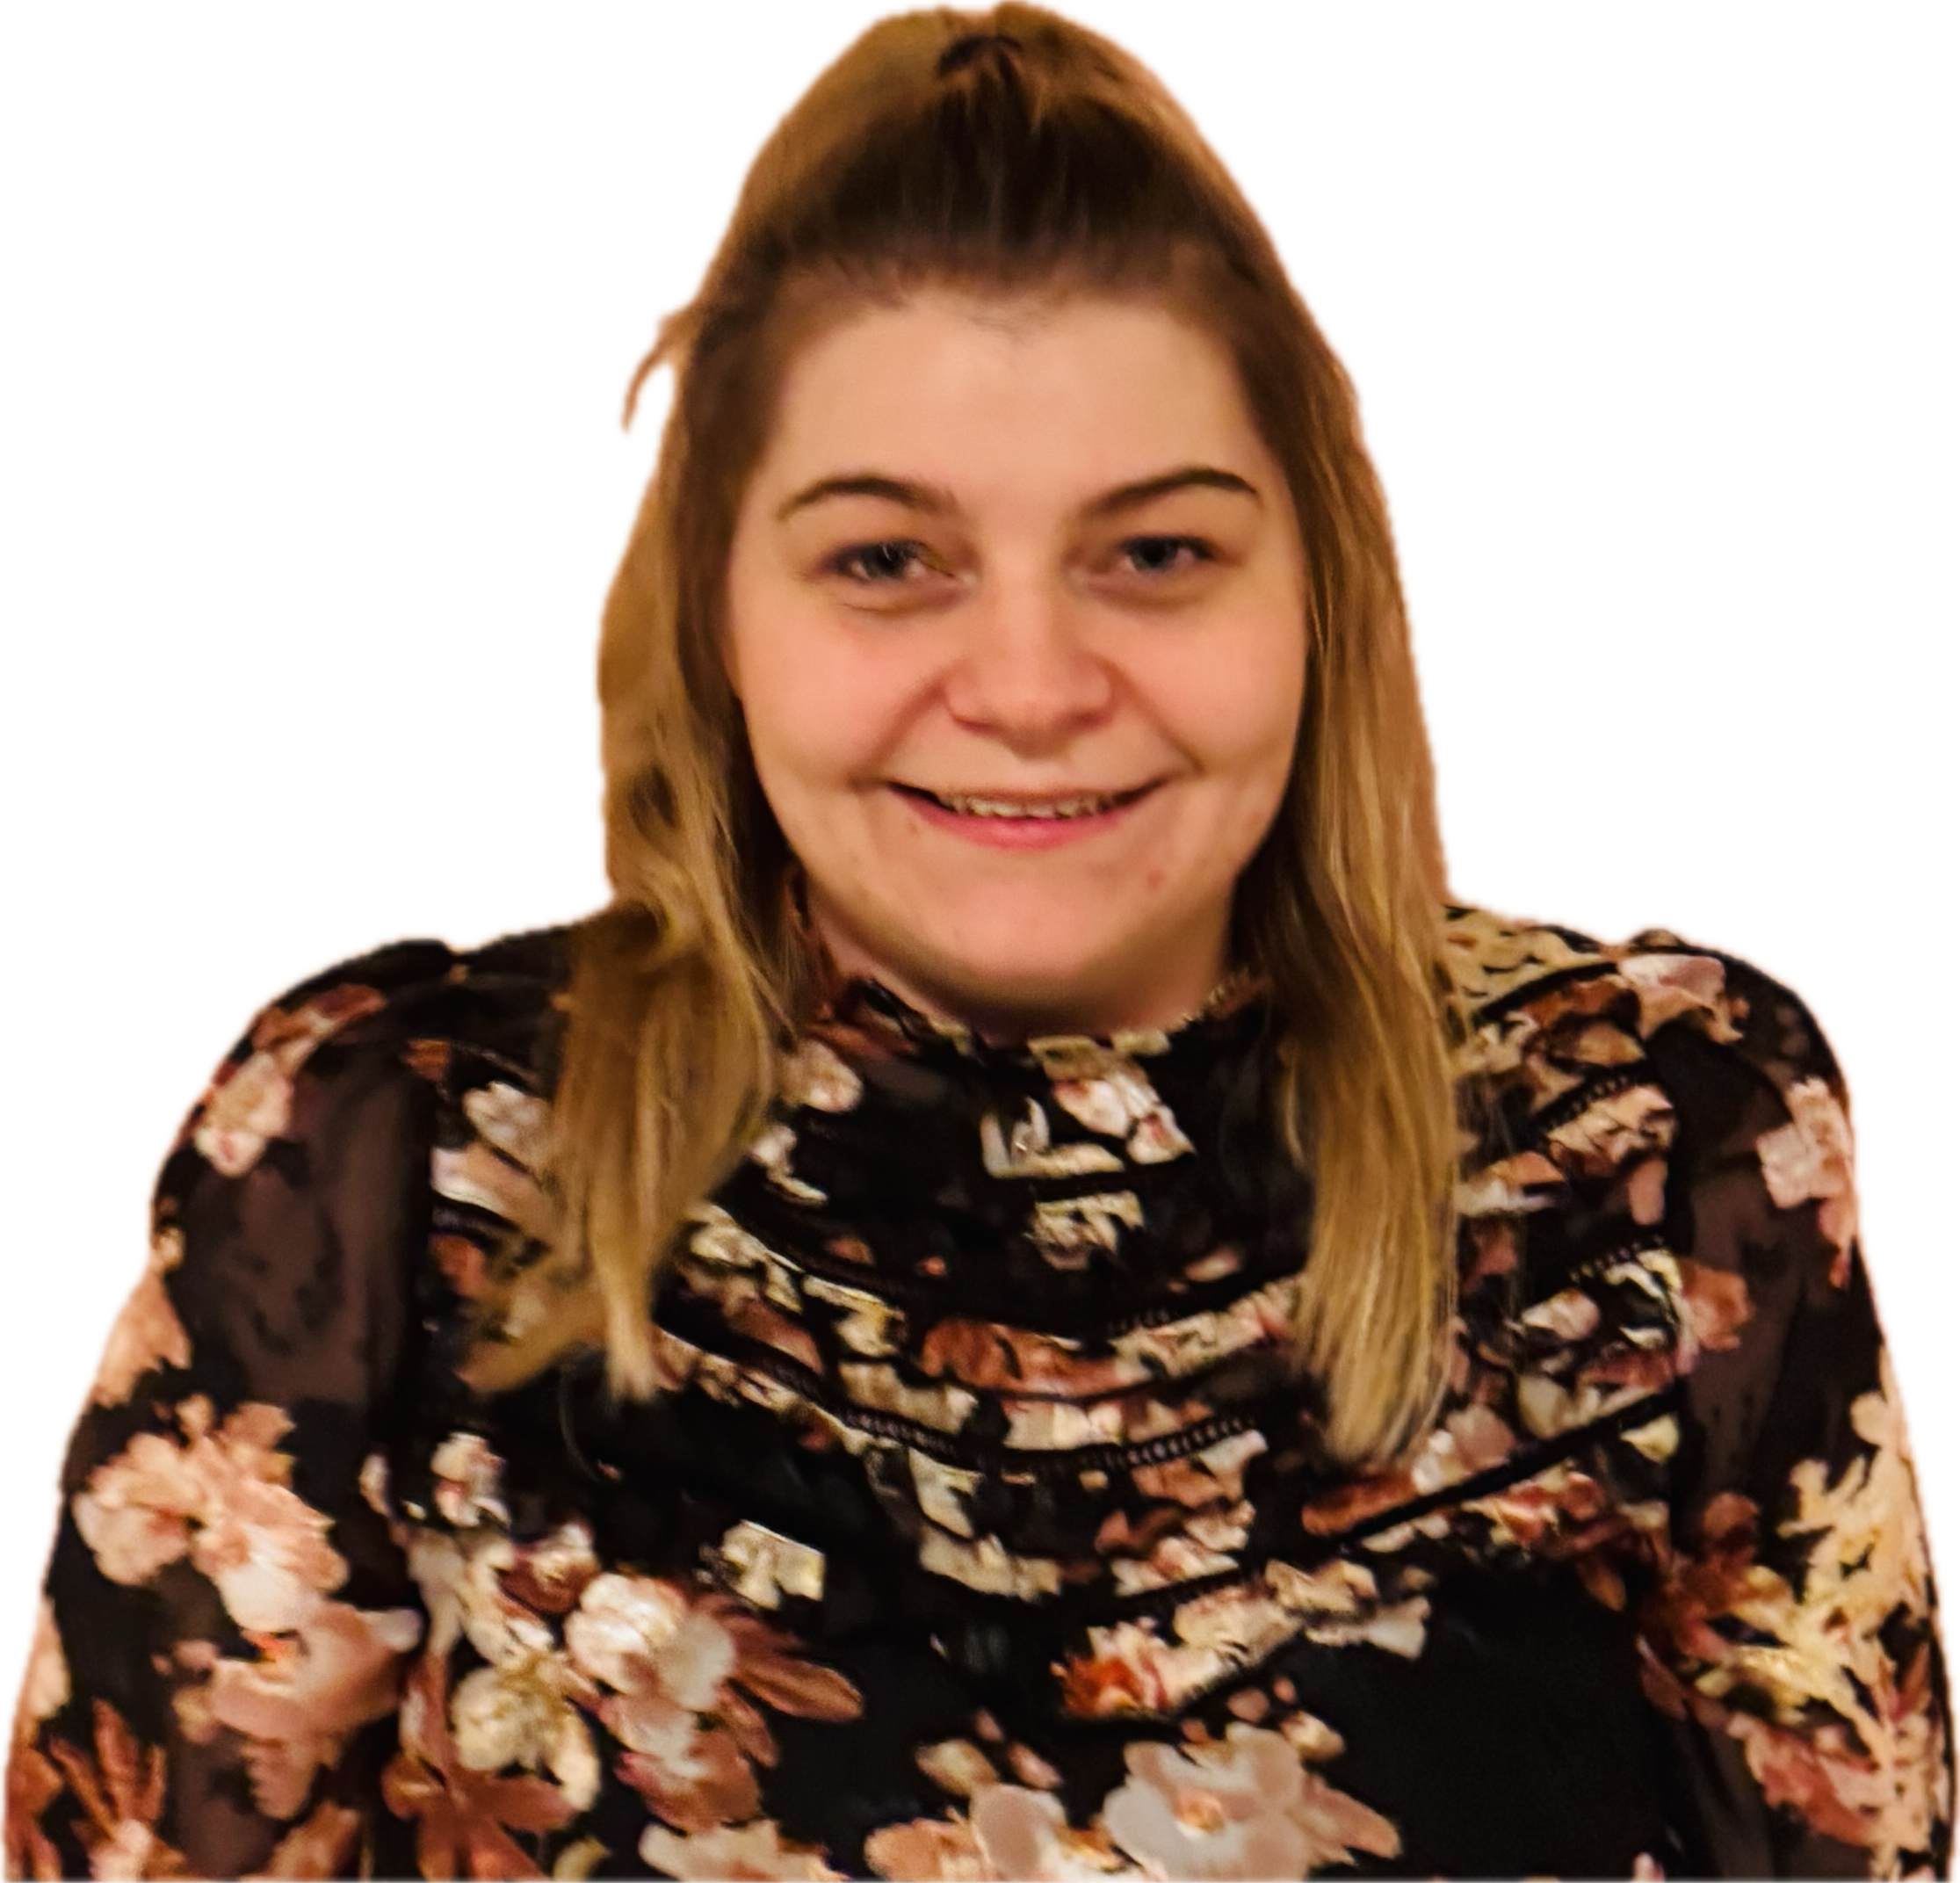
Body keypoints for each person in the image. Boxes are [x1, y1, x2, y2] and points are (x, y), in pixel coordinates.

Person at [4, 1, 1952, 1875]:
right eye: (885, 559)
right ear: (718, 614)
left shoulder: (1655, 1149)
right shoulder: (389, 1160)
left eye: (1155, 552)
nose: (1028, 686)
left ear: (1315, 595)